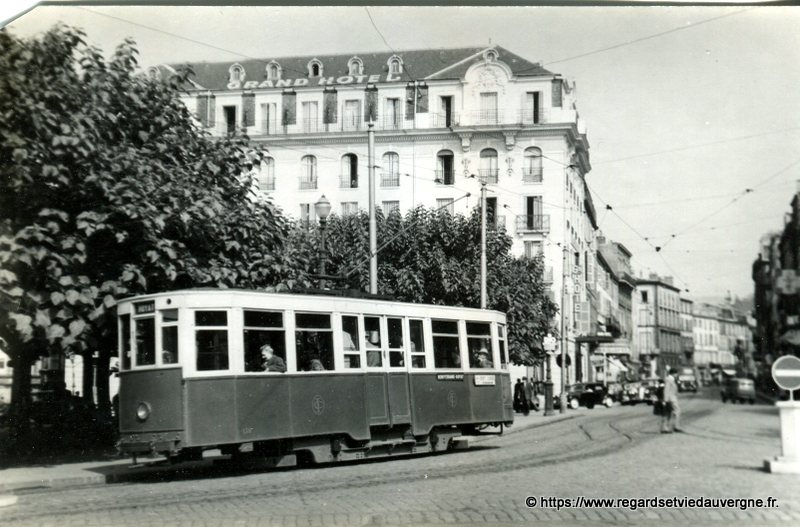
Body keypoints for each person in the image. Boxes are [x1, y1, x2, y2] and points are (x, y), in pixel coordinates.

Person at [661, 368, 683, 433]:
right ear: (674, 373)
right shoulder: (669, 379)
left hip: (671, 398)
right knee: (677, 412)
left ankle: (667, 428)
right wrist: (665, 400)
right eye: (676, 373)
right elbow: (666, 390)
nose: (677, 375)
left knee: (670, 413)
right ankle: (675, 427)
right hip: (671, 399)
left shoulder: (670, 379)